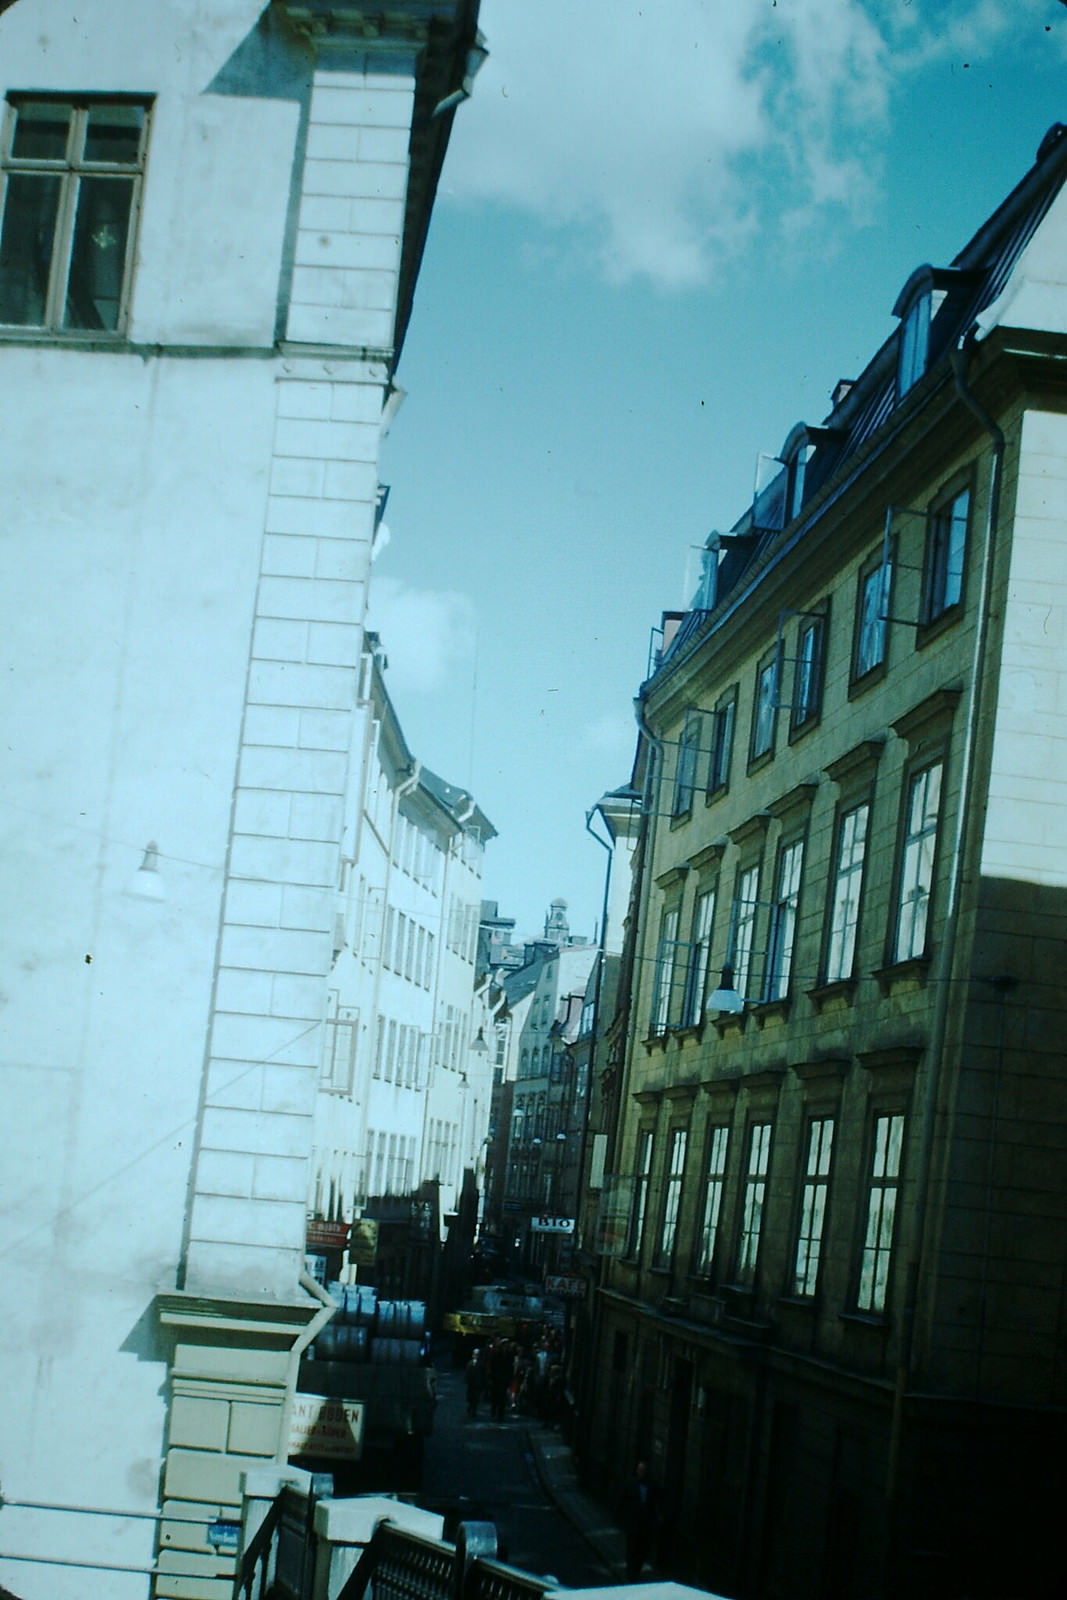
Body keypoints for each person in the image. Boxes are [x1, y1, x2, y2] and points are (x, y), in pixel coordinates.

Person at [619, 1460, 661, 1582]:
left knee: (642, 1550)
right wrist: (622, 1521)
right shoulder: (630, 1484)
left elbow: (656, 1504)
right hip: (632, 1525)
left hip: (645, 1526)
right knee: (631, 1549)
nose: (642, 1473)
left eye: (644, 1471)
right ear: (637, 1471)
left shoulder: (652, 1486)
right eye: (640, 1470)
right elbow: (622, 1503)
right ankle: (630, 1573)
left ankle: (636, 1571)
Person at [464, 1348, 485, 1418]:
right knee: (470, 1397)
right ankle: (470, 1407)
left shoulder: (481, 1364)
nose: (476, 1356)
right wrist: (466, 1380)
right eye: (475, 1354)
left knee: (476, 1398)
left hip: (478, 1384)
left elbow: (483, 1374)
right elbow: (467, 1372)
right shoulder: (470, 1363)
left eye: (477, 1355)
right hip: (471, 1383)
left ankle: (474, 1410)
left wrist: (483, 1382)